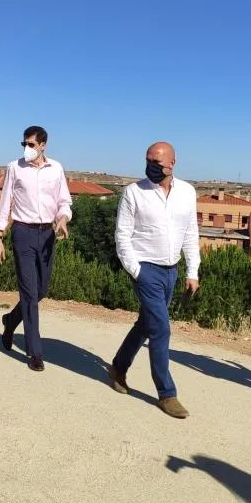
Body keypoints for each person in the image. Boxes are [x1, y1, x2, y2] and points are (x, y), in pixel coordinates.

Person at [109, 142, 200, 419]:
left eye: (157, 162)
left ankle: (118, 367)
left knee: (146, 325)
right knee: (161, 329)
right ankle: (167, 393)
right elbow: (122, 235)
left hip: (171, 270)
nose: (151, 165)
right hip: (145, 269)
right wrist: (136, 271)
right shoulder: (133, 192)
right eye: (148, 160)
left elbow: (190, 233)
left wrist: (192, 271)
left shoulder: (187, 192)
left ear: (172, 162)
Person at [0, 126, 72, 372]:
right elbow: (5, 201)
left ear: (43, 145)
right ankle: (35, 352)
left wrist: (63, 219)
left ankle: (10, 320)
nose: (27, 149)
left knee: (40, 290)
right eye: (24, 144)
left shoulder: (56, 169)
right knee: (29, 292)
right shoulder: (14, 168)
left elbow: (64, 201)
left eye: (31, 144)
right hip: (23, 233)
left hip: (47, 233)